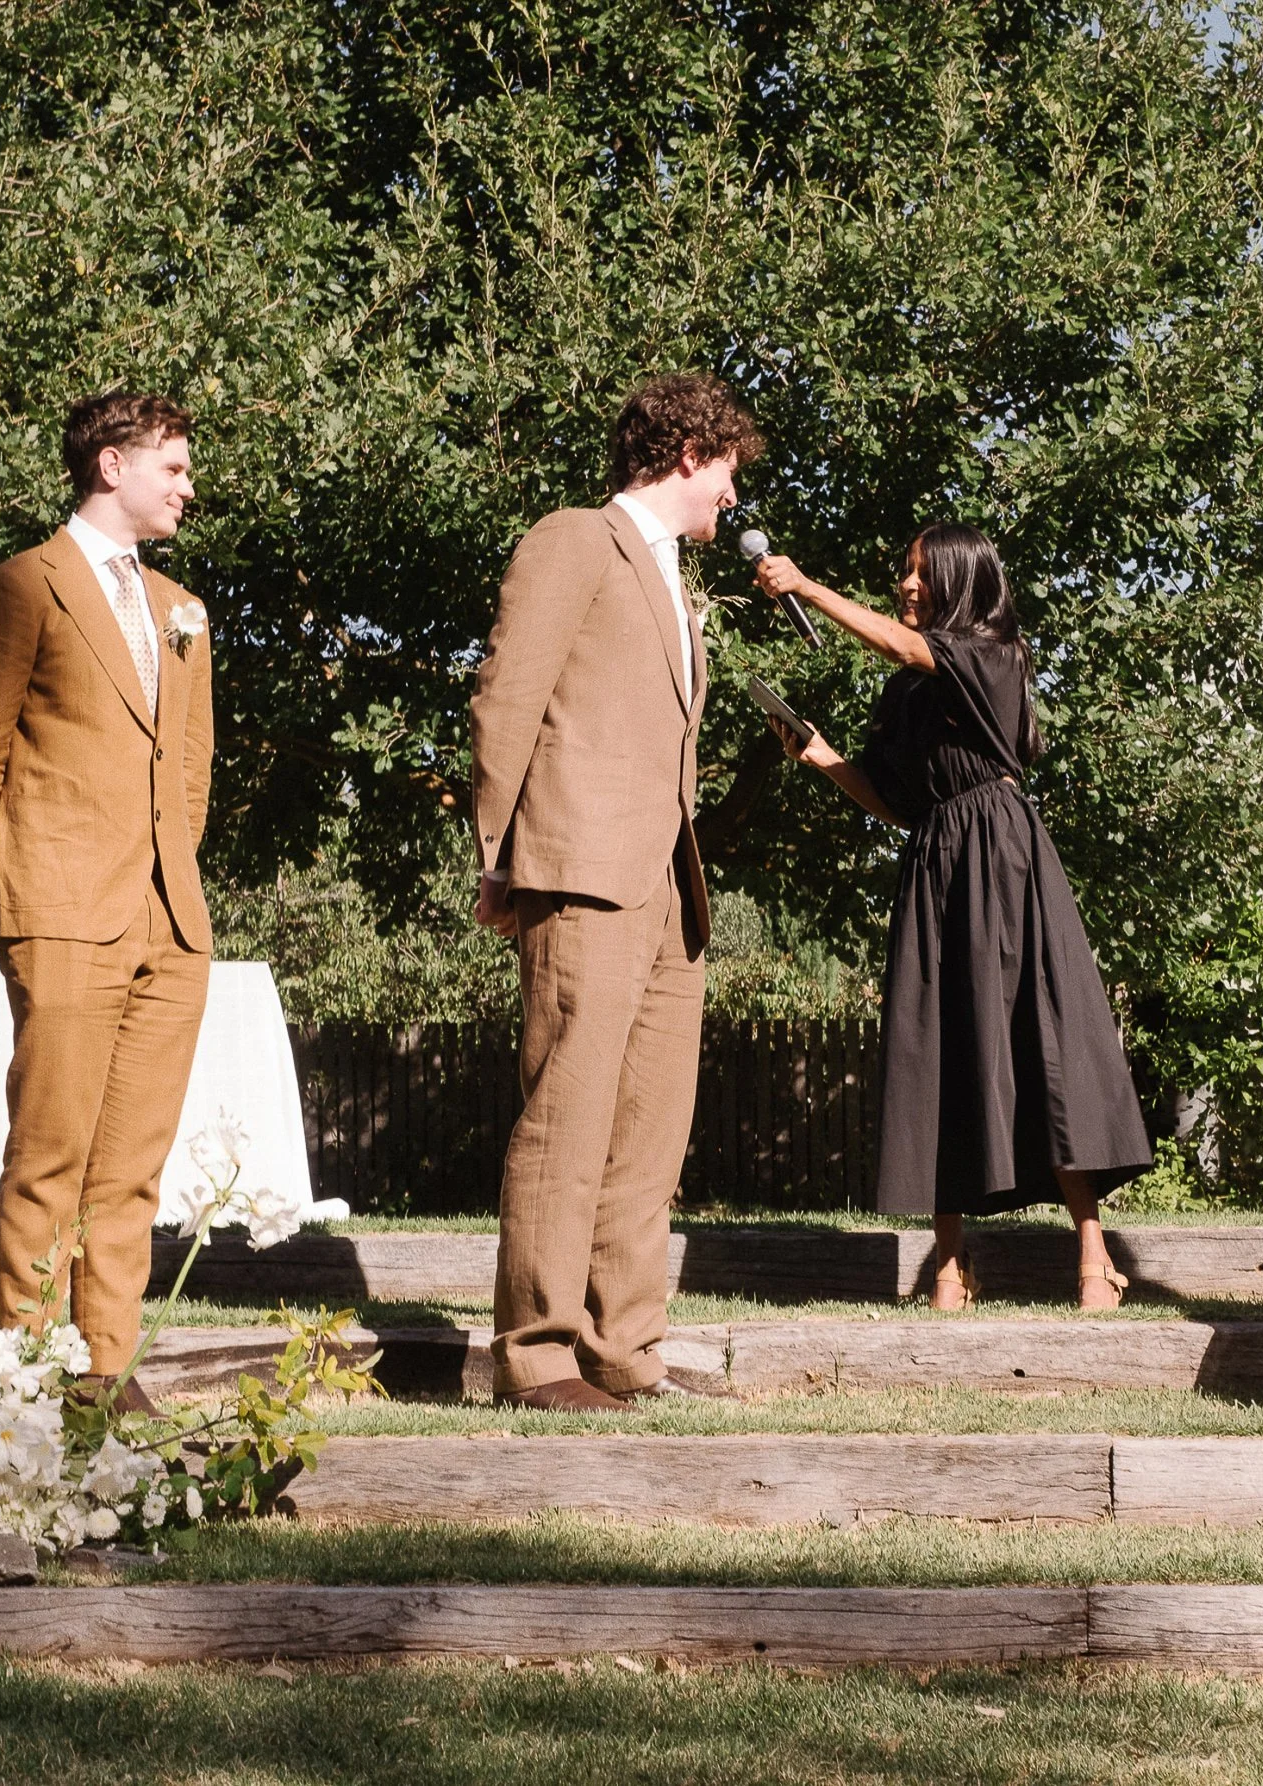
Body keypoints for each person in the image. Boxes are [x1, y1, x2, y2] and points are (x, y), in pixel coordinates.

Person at [755, 526, 1152, 1310]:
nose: (906, 584)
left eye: (921, 572)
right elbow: (896, 804)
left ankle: (1092, 1258)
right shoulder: (906, 691)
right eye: (903, 570)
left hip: (1002, 857)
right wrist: (820, 755)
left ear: (961, 581)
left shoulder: (995, 655)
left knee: (1041, 1042)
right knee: (935, 1047)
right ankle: (949, 1265)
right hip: (935, 859)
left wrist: (806, 587)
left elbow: (906, 648)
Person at [468, 373, 762, 1410]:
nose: (734, 495)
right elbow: (507, 693)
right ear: (689, 454)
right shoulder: (575, 539)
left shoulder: (670, 576)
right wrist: (498, 854)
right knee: (568, 1113)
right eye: (728, 471)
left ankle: (625, 1350)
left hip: (668, 888)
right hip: (582, 869)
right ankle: (539, 1355)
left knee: (647, 1131)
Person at [0, 392, 214, 1412]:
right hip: (59, 909)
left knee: (132, 1165)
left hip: (170, 920)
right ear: (111, 465)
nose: (188, 487)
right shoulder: (17, 588)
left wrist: (169, 873)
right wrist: (23, 889)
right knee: (50, 1152)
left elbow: (189, 767)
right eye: (173, 467)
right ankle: (32, 1366)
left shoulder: (182, 609)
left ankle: (105, 1367)